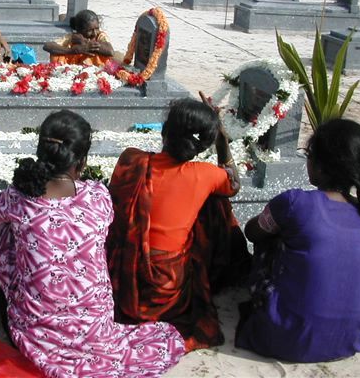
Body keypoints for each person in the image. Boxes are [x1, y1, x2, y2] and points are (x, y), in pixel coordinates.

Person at [0, 110, 185, 377]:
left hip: (36, 330)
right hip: (94, 327)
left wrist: (13, 195)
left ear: (41, 151)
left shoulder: (18, 199)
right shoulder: (97, 196)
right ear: (82, 161)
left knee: (4, 229)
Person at [235, 119, 360, 362]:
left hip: (284, 338)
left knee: (271, 241)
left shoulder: (295, 203)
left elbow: (253, 232)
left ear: (320, 166)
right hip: (351, 341)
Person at [106, 96, 251, 352]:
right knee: (217, 203)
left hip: (122, 280)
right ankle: (227, 269)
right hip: (166, 290)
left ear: (164, 131)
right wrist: (222, 143)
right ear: (202, 145)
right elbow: (234, 185)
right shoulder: (207, 174)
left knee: (211, 202)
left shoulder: (131, 159)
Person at [43, 10, 117, 66]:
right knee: (57, 54)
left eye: (97, 28)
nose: (94, 33)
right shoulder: (73, 37)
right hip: (73, 69)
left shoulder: (100, 36)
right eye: (90, 30)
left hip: (97, 70)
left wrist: (84, 42)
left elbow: (110, 52)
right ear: (79, 30)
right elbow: (47, 46)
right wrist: (72, 51)